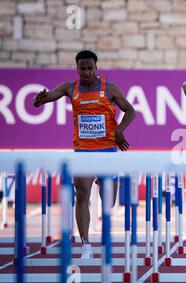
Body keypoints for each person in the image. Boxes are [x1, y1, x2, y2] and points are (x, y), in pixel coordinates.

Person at [33, 50, 136, 258]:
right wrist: (40, 101)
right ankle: (86, 244)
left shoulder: (110, 89)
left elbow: (131, 111)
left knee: (109, 202)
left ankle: (104, 181)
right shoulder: (70, 88)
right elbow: (49, 97)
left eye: (90, 68)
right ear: (77, 69)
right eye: (83, 68)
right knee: (82, 196)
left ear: (96, 68)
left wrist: (119, 130)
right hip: (83, 151)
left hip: (107, 150)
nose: (87, 72)